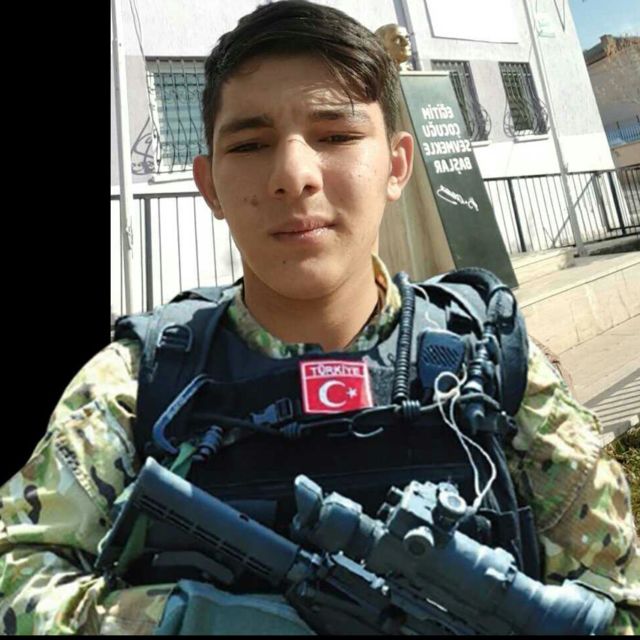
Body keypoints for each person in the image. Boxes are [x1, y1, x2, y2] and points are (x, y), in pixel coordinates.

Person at [1, 0, 638, 634]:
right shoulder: (136, 385)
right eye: (250, 144)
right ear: (210, 186)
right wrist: (181, 622)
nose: (293, 175)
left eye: (336, 136)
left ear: (396, 166)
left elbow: (616, 597)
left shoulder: (491, 363)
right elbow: (19, 577)